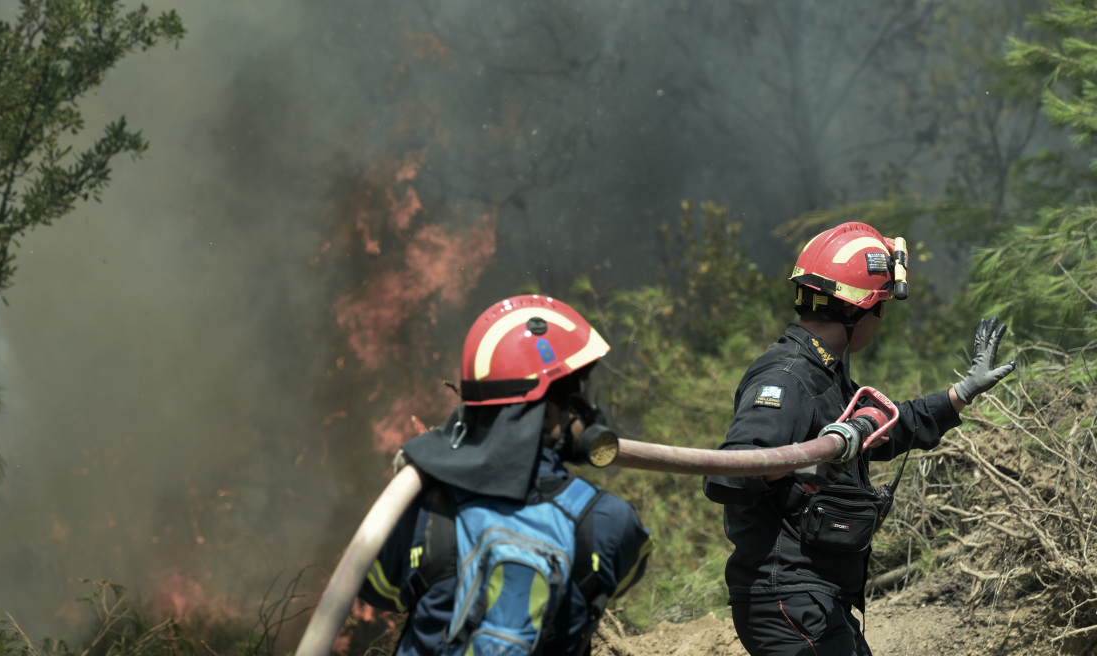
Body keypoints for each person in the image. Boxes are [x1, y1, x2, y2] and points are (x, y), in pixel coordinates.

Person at [703, 222, 1015, 656]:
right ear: (859, 310)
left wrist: (959, 394)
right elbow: (729, 474)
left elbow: (885, 428)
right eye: (881, 307)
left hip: (817, 597)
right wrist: (809, 459)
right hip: (787, 598)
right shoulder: (787, 377)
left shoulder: (826, 376)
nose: (880, 321)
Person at [357, 295, 652, 656]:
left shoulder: (418, 511)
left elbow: (375, 589)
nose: (587, 412)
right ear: (545, 414)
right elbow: (629, 571)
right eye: (576, 397)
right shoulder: (608, 521)